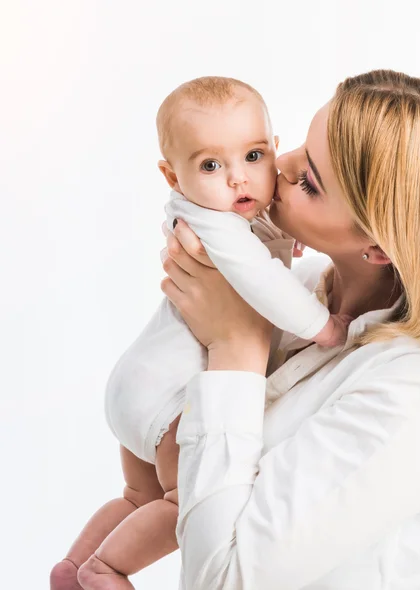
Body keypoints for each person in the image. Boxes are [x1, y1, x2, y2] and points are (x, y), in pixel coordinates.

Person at [49, 77, 353, 590]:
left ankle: (73, 567)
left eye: (254, 156)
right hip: (171, 398)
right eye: (211, 165)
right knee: (178, 502)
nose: (239, 179)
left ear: (274, 149)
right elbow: (263, 285)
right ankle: (106, 569)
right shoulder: (216, 226)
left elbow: (261, 249)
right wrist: (323, 325)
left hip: (137, 382)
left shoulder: (222, 214)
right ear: (173, 176)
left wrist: (279, 236)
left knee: (137, 498)